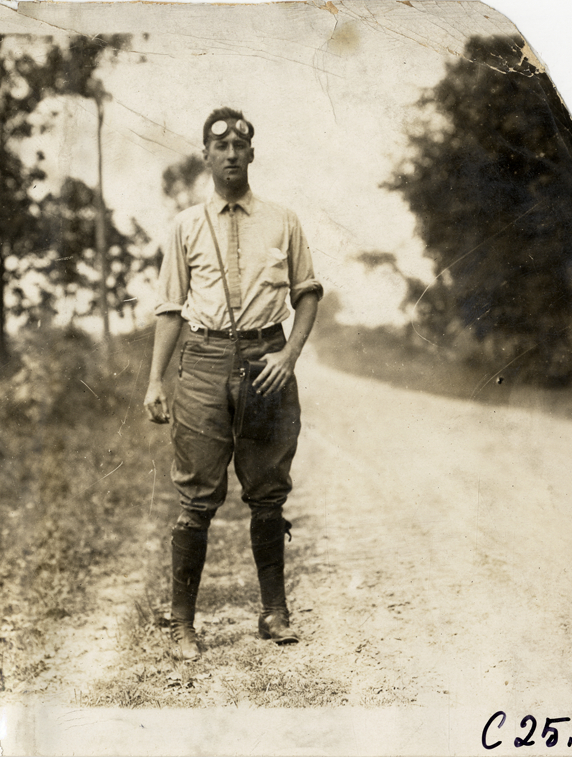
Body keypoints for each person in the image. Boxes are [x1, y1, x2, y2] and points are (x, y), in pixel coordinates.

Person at [144, 107, 323, 661]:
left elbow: (308, 293)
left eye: (238, 145)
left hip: (268, 359)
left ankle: (274, 612)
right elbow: (170, 309)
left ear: (250, 153)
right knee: (196, 497)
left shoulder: (283, 220)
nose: (229, 154)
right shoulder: (185, 227)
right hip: (203, 362)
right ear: (206, 155)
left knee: (268, 492)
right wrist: (155, 381)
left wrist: (289, 355)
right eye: (218, 146)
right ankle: (182, 624)